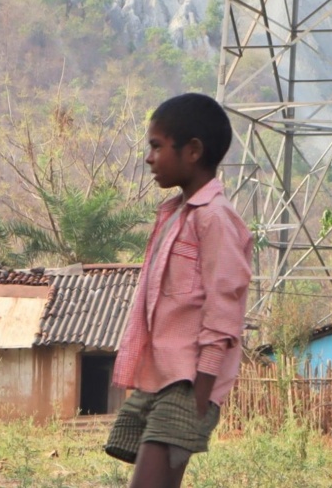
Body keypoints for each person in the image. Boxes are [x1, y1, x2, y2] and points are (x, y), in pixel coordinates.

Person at [104, 93, 252, 488]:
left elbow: (225, 310)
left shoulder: (216, 220)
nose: (149, 158)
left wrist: (201, 395)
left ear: (193, 151)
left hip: (188, 383)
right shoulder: (173, 214)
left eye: (156, 146)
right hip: (160, 376)